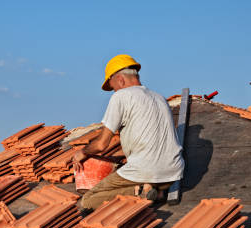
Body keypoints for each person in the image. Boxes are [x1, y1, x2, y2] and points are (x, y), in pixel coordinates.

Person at [74, 54, 184, 210]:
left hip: (145, 170)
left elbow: (101, 144)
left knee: (89, 200)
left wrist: (82, 152)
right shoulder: (159, 97)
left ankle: (140, 192)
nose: (114, 91)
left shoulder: (121, 96)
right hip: (173, 172)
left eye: (112, 87)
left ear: (120, 79)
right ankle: (155, 192)